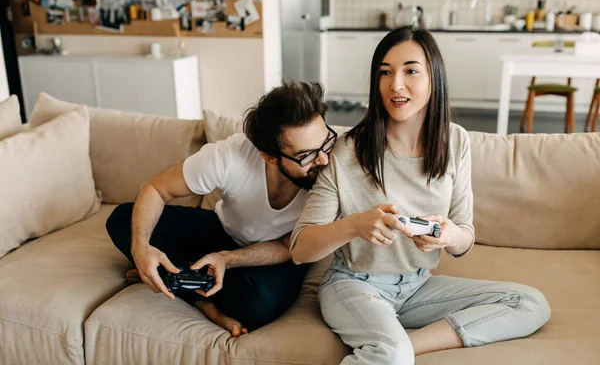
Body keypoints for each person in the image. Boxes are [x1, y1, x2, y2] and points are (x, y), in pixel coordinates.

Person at [289, 26, 551, 364]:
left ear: (433, 79)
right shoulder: (346, 150)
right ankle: (393, 347)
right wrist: (354, 225)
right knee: (391, 355)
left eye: (411, 70)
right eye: (385, 72)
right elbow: (299, 249)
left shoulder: (455, 142)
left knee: (529, 302)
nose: (396, 84)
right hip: (354, 285)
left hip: (418, 287)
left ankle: (404, 344)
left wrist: (447, 235)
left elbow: (464, 239)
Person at [106, 81, 337, 337]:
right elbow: (155, 189)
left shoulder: (333, 169)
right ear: (269, 156)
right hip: (223, 232)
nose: (324, 159)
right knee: (123, 218)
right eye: (306, 155)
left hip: (280, 253)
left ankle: (179, 279)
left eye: (326, 142)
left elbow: (287, 247)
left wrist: (226, 259)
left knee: (257, 306)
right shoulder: (230, 157)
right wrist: (140, 248)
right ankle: (198, 294)